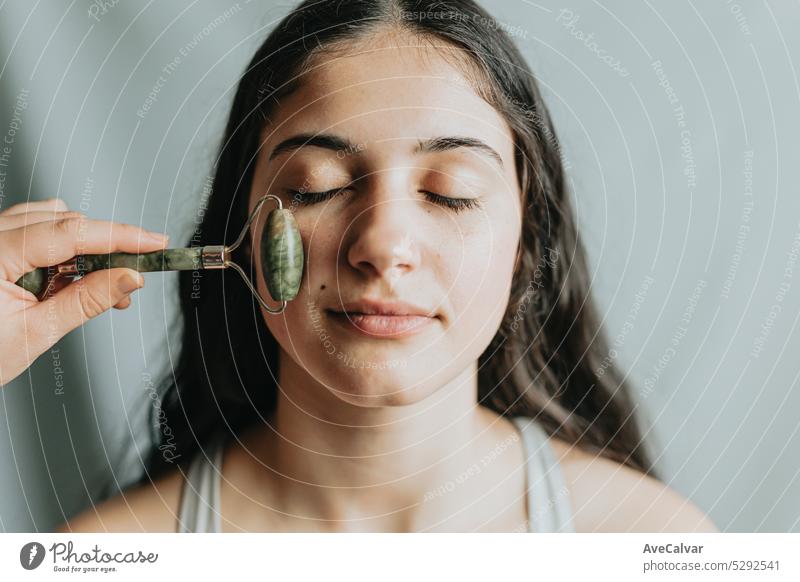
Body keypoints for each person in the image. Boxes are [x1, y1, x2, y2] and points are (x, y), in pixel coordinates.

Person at [1, 0, 718, 532]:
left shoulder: (649, 541)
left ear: (527, 238)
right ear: (242, 235)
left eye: (452, 193)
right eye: (315, 187)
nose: (382, 243)